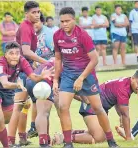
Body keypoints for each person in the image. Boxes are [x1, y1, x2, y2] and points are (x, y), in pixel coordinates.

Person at [52, 7, 118, 148]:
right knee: (63, 107)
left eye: (67, 21)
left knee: (98, 108)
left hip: (87, 76)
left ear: (74, 20)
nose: (64, 24)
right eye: (62, 21)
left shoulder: (83, 35)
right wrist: (56, 80)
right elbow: (58, 59)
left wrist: (81, 78)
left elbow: (94, 59)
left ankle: (111, 141)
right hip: (68, 75)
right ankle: (68, 143)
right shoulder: (57, 35)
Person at [0, 41, 54, 148]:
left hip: (9, 91)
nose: (15, 56)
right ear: (5, 55)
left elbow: (33, 77)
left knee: (6, 120)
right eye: (11, 53)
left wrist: (42, 76)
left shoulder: (22, 61)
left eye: (17, 53)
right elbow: (5, 84)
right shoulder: (0, 64)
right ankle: (7, 146)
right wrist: (18, 85)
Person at [52, 69, 138, 145]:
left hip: (96, 106)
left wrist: (121, 116)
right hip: (92, 107)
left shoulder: (125, 83)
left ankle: (70, 133)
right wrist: (129, 138)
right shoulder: (124, 88)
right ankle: (63, 138)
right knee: (99, 138)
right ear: (133, 78)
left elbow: (117, 101)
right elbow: (125, 115)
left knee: (101, 135)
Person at [7, 1, 48, 146]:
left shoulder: (29, 26)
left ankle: (22, 138)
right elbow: (26, 52)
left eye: (38, 12)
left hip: (25, 68)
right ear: (26, 14)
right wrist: (46, 62)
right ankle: (9, 141)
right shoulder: (25, 27)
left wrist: (35, 63)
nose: (37, 15)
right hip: (22, 71)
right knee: (18, 106)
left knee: (24, 105)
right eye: (33, 12)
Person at [27, 12, 54, 138]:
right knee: (35, 101)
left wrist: (45, 65)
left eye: (36, 22)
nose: (34, 25)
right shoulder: (30, 35)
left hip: (50, 73)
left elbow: (57, 55)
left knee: (44, 103)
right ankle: (35, 128)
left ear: (42, 21)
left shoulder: (48, 34)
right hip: (36, 72)